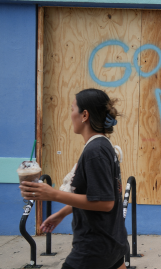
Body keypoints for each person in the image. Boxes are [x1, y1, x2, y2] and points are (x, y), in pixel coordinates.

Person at [19, 88, 128, 269]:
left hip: (93, 249)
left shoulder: (95, 151)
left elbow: (106, 202)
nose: (70, 115)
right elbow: (96, 193)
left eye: (72, 109)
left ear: (84, 115)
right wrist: (61, 213)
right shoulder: (103, 145)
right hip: (112, 242)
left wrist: (53, 194)